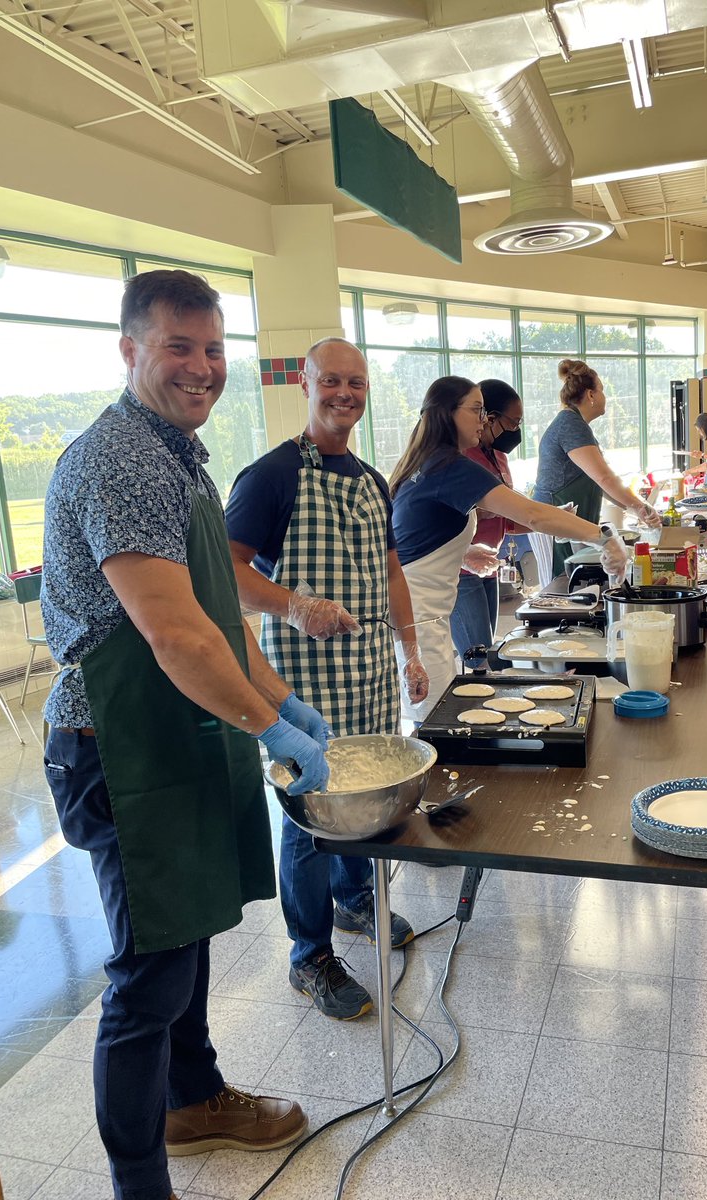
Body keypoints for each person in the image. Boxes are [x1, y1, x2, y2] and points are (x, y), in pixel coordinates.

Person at [41, 270, 331, 1200]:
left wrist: (282, 703)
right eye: (179, 346)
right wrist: (271, 734)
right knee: (146, 975)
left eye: (213, 349)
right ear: (130, 350)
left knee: (190, 929)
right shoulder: (122, 460)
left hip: (177, 733)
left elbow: (218, 616)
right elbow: (171, 636)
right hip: (118, 748)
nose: (203, 368)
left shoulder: (174, 455)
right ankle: (140, 1182)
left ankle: (194, 1098)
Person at [226, 337, 430, 1021]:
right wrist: (291, 605)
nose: (345, 393)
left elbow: (391, 571)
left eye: (357, 383)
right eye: (332, 381)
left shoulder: (373, 480)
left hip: (370, 673)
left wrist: (409, 651)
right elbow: (224, 573)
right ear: (306, 384)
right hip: (301, 686)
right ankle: (308, 955)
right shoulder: (270, 477)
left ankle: (353, 902)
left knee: (366, 795)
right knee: (311, 817)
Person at [389, 376, 629, 724]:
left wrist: (462, 553)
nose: (483, 419)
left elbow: (420, 535)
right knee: (434, 723)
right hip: (420, 621)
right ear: (447, 414)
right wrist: (605, 537)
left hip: (423, 615)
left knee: (434, 715)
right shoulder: (449, 467)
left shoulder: (431, 462)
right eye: (475, 410)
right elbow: (531, 513)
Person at [532, 359, 661, 578]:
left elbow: (599, 483)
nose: (604, 397)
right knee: (563, 587)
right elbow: (604, 478)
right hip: (555, 522)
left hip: (571, 524)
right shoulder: (570, 425)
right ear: (590, 395)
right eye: (601, 390)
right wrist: (640, 507)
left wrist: (637, 509)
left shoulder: (576, 425)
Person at [449, 378, 525, 659]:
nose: (516, 431)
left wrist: (555, 522)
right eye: (513, 423)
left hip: (486, 565)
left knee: (488, 649)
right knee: (478, 655)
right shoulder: (458, 457)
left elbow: (512, 515)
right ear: (488, 418)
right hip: (461, 569)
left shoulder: (497, 455)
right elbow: (451, 514)